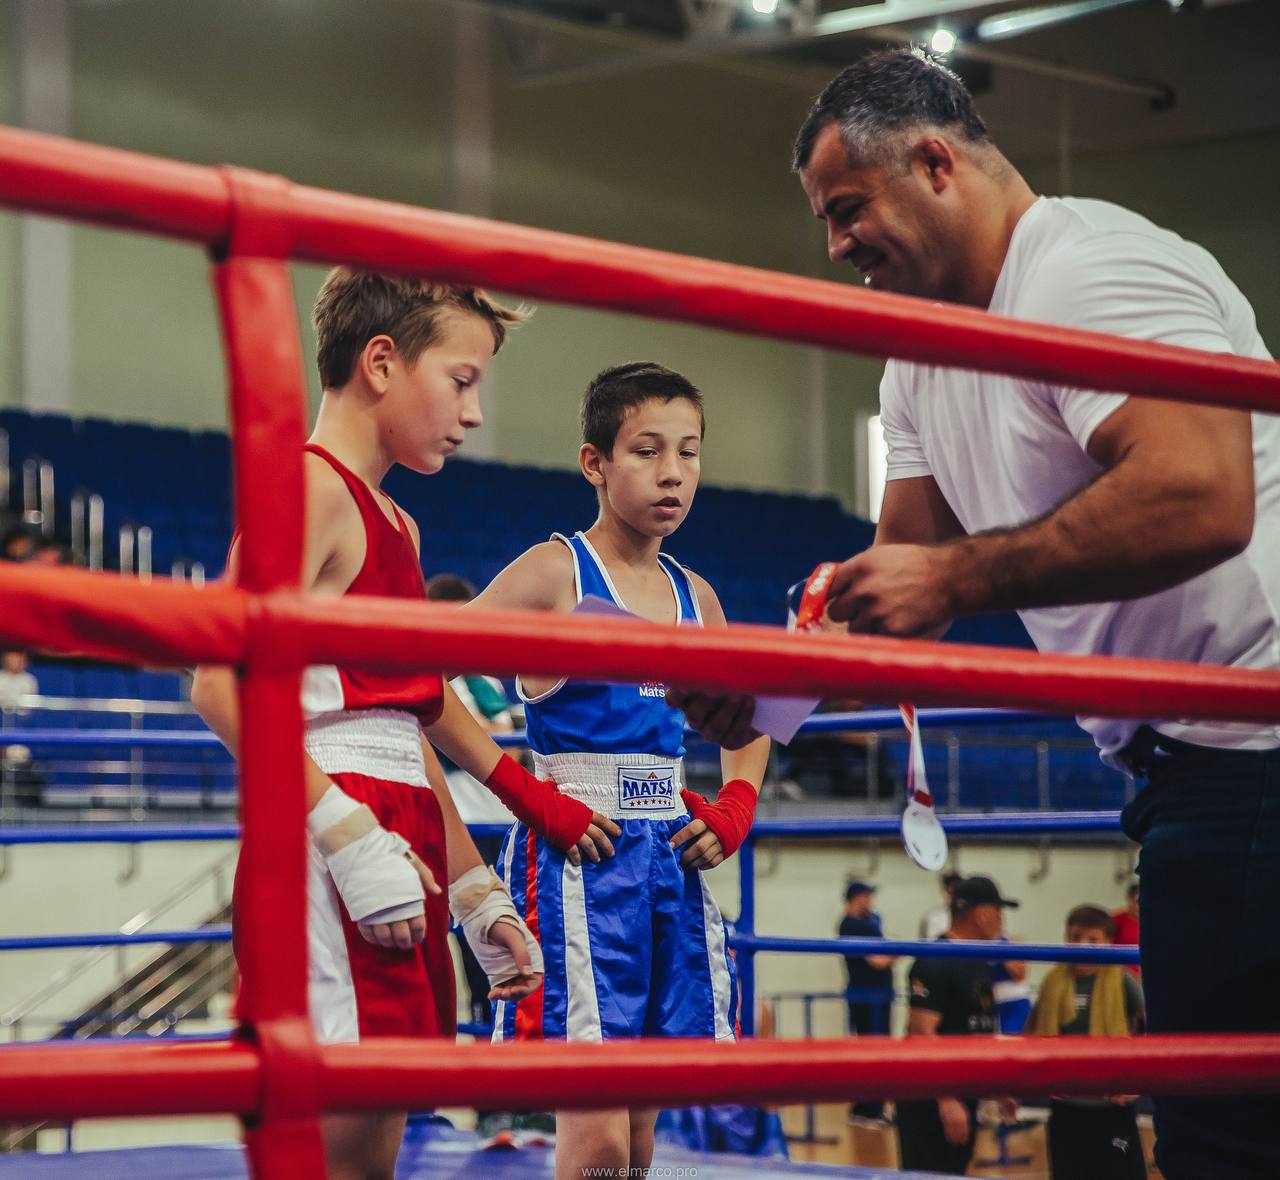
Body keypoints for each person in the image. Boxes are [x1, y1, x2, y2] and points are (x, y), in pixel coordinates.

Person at [674, 46, 1277, 1180]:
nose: (833, 244)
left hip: (1255, 744)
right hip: (1185, 764)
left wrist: (950, 578)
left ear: (935, 163)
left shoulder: (1089, 267)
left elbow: (1203, 492)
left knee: (1226, 1137)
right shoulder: (918, 354)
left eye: (847, 208)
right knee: (1216, 1124)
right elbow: (903, 586)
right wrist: (767, 689)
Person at [192, 270, 623, 1180]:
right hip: (326, 833)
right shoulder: (305, 489)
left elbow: (406, 722)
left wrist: (472, 890)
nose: (472, 414)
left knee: (375, 1147)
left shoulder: (399, 525)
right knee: (325, 1152)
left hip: (400, 831)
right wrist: (345, 834)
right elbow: (218, 688)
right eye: (462, 381)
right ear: (381, 362)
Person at [467, 361, 771, 1180]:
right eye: (646, 451)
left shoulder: (695, 596)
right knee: (594, 1128)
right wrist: (525, 794)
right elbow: (419, 679)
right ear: (595, 463)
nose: (673, 472)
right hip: (578, 862)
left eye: (690, 452)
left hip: (666, 858)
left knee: (642, 1130)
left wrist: (737, 801)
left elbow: (755, 722)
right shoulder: (552, 574)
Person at [896, 875, 1016, 1175]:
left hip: (962, 1093)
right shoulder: (936, 960)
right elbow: (920, 1033)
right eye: (998, 912)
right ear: (981, 913)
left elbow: (977, 1031)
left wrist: (998, 1087)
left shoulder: (976, 959)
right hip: (929, 1100)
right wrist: (946, 1101)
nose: (1001, 921)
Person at [1030, 904, 1146, 1180]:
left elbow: (1150, 1032)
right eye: (1075, 937)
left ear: (1108, 943)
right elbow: (1032, 1036)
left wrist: (1138, 1082)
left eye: (1092, 940)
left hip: (1113, 1108)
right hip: (1066, 1109)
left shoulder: (1123, 981)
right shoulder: (1052, 981)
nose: (1082, 945)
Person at [839, 879, 894, 1123]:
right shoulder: (852, 925)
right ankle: (869, 1109)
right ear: (856, 897)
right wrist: (897, 950)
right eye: (866, 895)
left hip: (875, 996)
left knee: (874, 1049)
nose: (870, 900)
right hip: (867, 997)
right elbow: (877, 960)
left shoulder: (868, 922)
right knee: (872, 1050)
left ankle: (869, 1107)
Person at [919, 871, 960, 941]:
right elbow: (922, 944)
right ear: (944, 891)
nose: (952, 896)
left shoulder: (967, 918)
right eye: (949, 891)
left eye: (955, 891)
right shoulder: (932, 917)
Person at [1112, 882, 1141, 977]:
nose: (1140, 906)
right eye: (1138, 902)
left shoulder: (1150, 923)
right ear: (1130, 899)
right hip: (1118, 973)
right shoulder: (1115, 920)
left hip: (1141, 975)